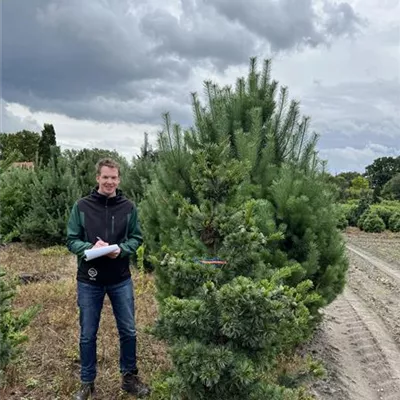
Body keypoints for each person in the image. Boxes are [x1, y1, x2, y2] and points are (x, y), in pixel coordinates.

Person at [66, 158, 150, 399]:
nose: (110, 182)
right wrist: (89, 246)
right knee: (87, 333)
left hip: (120, 278)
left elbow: (136, 238)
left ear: (119, 179)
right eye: (105, 177)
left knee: (128, 330)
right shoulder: (81, 206)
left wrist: (121, 250)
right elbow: (71, 239)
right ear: (97, 178)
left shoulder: (128, 207)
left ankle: (129, 378)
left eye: (114, 177)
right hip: (89, 280)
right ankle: (87, 382)